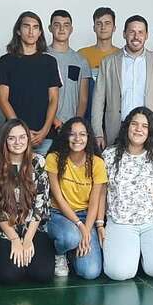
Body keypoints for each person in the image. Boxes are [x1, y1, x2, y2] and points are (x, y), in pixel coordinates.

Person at [99, 107, 153, 280]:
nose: (139, 129)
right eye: (135, 124)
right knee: (119, 273)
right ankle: (131, 256)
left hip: (151, 221)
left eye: (144, 126)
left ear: (150, 131)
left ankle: (142, 255)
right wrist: (100, 224)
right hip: (120, 221)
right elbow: (101, 192)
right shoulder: (109, 155)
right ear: (127, 127)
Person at [0, 119, 54, 284]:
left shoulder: (38, 162)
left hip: (32, 227)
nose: (17, 142)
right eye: (12, 138)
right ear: (5, 141)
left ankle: (26, 259)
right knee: (9, 276)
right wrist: (14, 239)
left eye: (22, 137)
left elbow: (40, 205)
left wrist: (27, 240)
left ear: (28, 139)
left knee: (43, 273)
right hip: (3, 228)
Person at [92, 15, 153, 148]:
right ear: (124, 34)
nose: (136, 36)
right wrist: (98, 133)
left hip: (149, 129)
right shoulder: (109, 62)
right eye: (132, 32)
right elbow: (98, 99)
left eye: (140, 32)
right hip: (117, 128)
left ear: (146, 35)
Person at [46, 117, 107, 279]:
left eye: (82, 134)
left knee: (90, 272)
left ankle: (72, 252)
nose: (77, 139)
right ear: (66, 136)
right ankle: (60, 253)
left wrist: (87, 229)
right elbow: (58, 197)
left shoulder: (97, 163)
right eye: (72, 134)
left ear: (89, 137)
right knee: (71, 237)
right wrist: (80, 227)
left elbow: (95, 202)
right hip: (58, 213)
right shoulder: (54, 158)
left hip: (85, 215)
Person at [0, 11, 62, 155]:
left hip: (44, 136)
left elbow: (53, 99)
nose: (31, 31)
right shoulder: (6, 61)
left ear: (40, 32)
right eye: (27, 26)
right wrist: (21, 131)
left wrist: (45, 130)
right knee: (13, 176)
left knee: (43, 176)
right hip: (14, 136)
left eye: (35, 27)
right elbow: (2, 99)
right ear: (19, 31)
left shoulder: (49, 62)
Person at [47, 9, 91, 125]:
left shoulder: (81, 61)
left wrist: (75, 123)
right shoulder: (41, 57)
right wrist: (54, 120)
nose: (62, 29)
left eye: (66, 25)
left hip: (71, 127)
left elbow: (83, 99)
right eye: (57, 25)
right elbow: (37, 94)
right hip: (45, 125)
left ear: (71, 29)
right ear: (50, 28)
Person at [78, 7, 120, 120]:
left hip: (113, 116)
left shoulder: (121, 55)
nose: (103, 27)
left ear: (114, 28)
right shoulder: (81, 55)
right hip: (86, 115)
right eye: (99, 23)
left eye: (107, 23)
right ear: (94, 27)